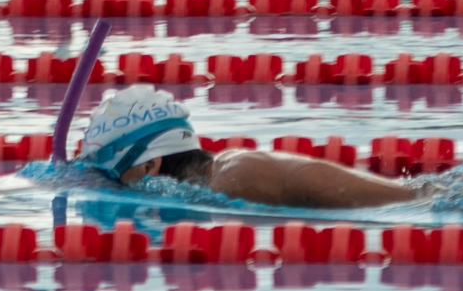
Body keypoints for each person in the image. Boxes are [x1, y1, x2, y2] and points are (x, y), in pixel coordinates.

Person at [68, 85, 422, 209]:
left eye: (114, 173)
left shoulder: (236, 180)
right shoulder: (218, 176)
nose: (111, 183)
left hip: (426, 204)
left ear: (151, 166)